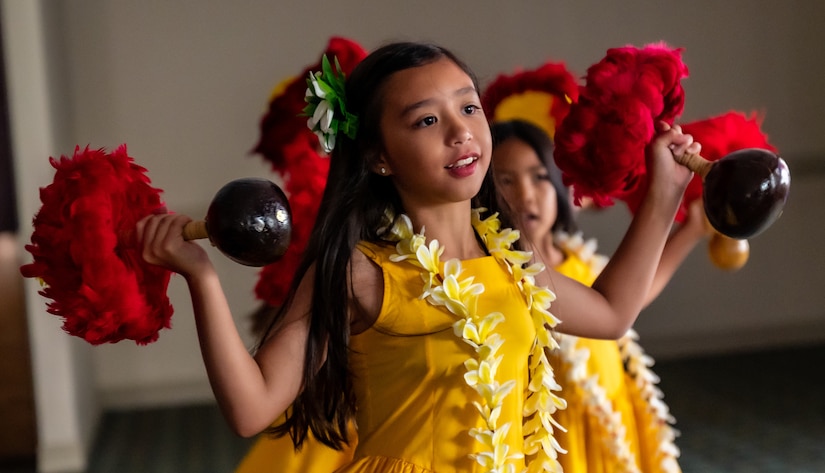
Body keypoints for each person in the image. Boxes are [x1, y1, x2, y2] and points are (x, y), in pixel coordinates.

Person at [136, 41, 699, 472]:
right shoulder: (360, 271)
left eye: (470, 108)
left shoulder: (510, 259)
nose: (461, 132)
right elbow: (252, 408)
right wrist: (201, 277)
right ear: (379, 156)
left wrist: (664, 191)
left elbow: (611, 312)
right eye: (427, 120)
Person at [491, 119, 708, 472]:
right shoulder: (505, 274)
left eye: (539, 177)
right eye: (505, 180)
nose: (526, 195)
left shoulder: (576, 258)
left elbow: (632, 294)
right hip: (562, 439)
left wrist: (691, 231)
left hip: (612, 420)